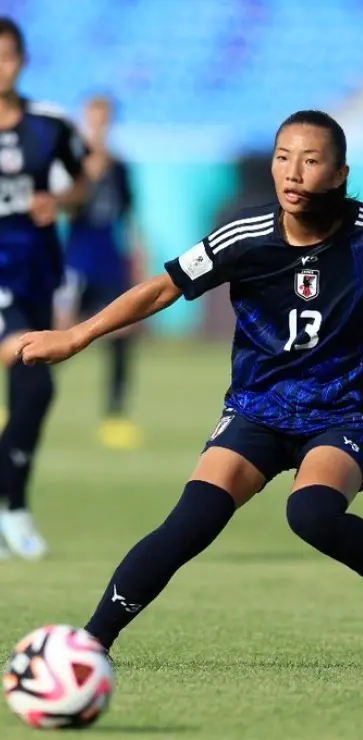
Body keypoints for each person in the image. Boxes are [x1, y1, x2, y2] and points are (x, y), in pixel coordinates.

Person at [17, 110, 363, 668]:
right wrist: (76, 335)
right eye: (283, 158)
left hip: (344, 413)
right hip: (258, 409)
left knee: (311, 514)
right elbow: (162, 290)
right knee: (189, 522)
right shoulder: (245, 236)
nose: (293, 173)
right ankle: (87, 647)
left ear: (340, 173)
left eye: (310, 160)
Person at [0, 17, 95, 560]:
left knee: (32, 394)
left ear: (23, 60)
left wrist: (58, 202)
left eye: (7, 55)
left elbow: (82, 184)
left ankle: (11, 505)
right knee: (34, 384)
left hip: (38, 271)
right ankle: (14, 508)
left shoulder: (49, 126)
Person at [55, 94, 146, 450]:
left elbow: (128, 217)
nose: (99, 126)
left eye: (104, 119)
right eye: (93, 119)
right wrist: (85, 178)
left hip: (110, 261)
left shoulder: (121, 167)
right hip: (77, 262)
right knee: (59, 335)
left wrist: (137, 258)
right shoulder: (73, 164)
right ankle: (19, 400)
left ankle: (115, 417)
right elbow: (64, 207)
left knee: (122, 336)